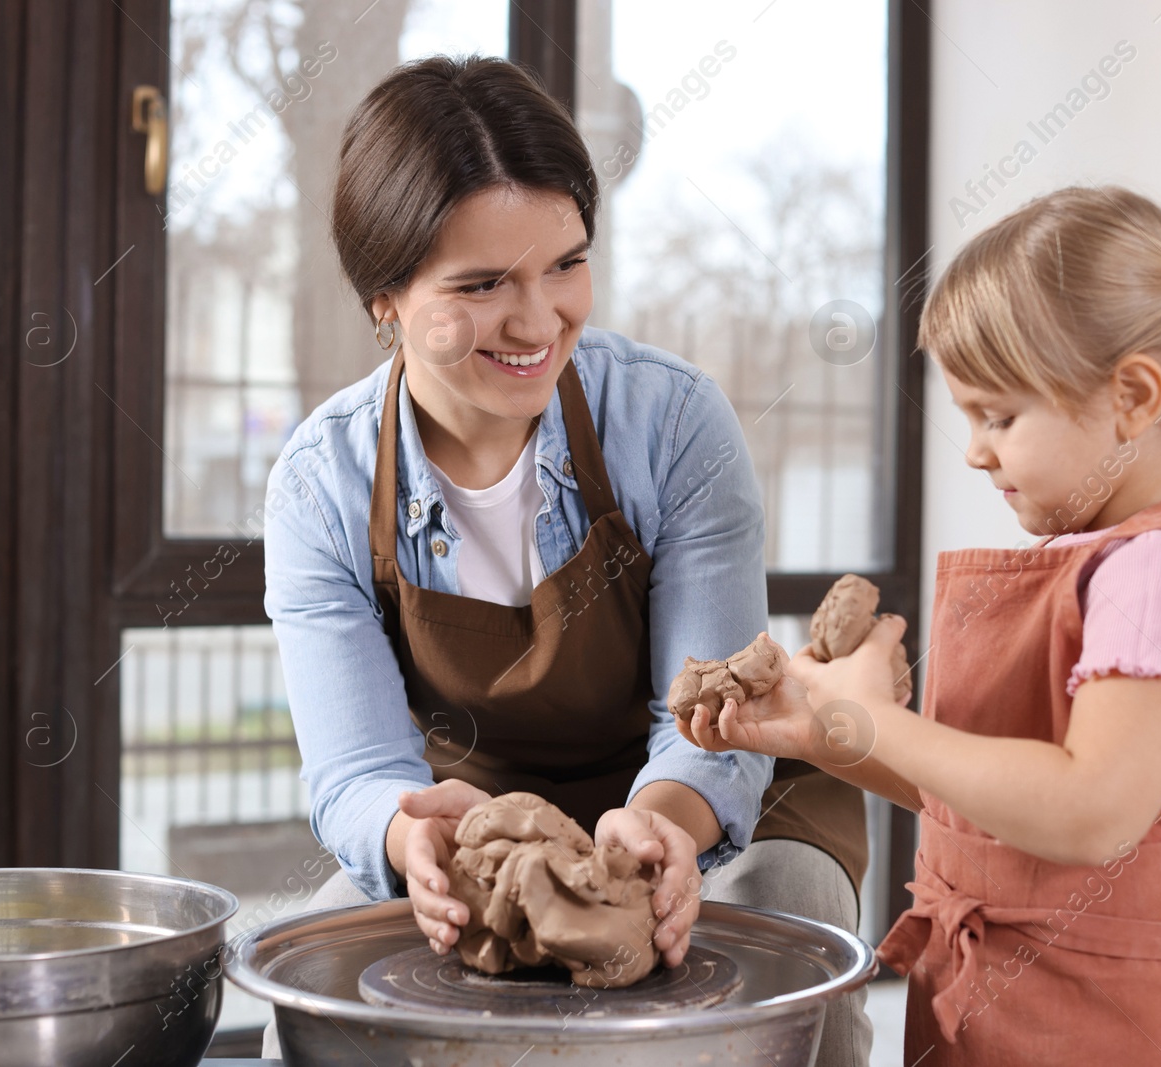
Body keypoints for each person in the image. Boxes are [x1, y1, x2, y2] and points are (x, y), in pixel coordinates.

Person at [262, 55, 871, 1065]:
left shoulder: (673, 424)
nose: (539, 321)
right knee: (327, 972)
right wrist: (415, 841)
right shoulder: (318, 486)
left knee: (780, 931)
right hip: (482, 816)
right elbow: (359, 771)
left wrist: (665, 828)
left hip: (717, 797)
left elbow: (710, 723)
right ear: (385, 298)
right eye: (482, 283)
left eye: (564, 264)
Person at [682, 185, 1161, 1065]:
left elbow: (1087, 811)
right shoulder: (1106, 561)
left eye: (999, 417)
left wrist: (881, 719)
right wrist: (826, 734)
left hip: (1109, 1028)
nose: (975, 450)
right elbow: (991, 808)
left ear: (1133, 394)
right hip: (984, 1011)